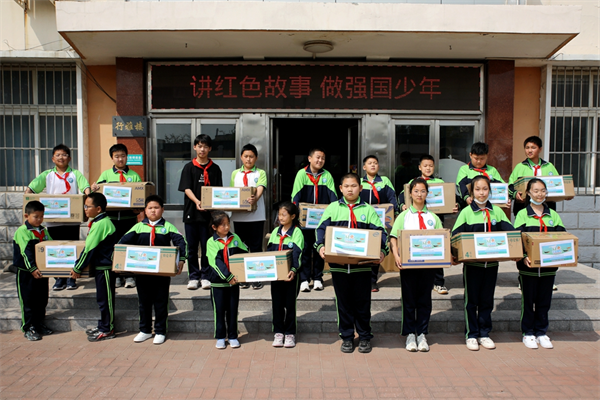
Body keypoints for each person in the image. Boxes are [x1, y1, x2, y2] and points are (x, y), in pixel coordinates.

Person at [315, 173, 388, 354]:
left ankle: (364, 336)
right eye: (346, 186)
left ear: (360, 188)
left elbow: (380, 232)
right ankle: (347, 337)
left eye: (354, 186)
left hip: (362, 267)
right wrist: (320, 247)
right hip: (339, 267)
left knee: (363, 304)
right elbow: (321, 229)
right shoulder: (333, 208)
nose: (350, 189)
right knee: (344, 304)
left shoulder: (368, 210)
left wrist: (382, 250)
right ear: (340, 188)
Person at [452, 175, 516, 351]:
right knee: (471, 301)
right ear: (472, 191)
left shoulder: (497, 211)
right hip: (473, 266)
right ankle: (471, 334)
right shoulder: (466, 213)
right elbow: (455, 236)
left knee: (487, 300)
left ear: (490, 191)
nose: (481, 193)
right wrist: (454, 255)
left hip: (492, 264)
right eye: (478, 189)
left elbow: (511, 234)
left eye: (485, 189)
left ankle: (484, 333)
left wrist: (518, 250)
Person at [118, 195, 187, 345]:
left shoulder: (168, 226)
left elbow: (181, 242)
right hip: (142, 272)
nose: (153, 211)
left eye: (156, 208)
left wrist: (181, 260)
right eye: (150, 208)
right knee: (144, 301)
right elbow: (122, 244)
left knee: (161, 301)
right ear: (145, 210)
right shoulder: (138, 227)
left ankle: (161, 331)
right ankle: (145, 330)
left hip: (162, 273)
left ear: (162, 209)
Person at [26, 144, 91, 291]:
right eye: (58, 155)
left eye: (64, 155)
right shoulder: (47, 175)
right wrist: (28, 201)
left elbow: (85, 188)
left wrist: (88, 202)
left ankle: (71, 278)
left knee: (71, 249)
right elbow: (31, 189)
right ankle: (58, 278)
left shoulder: (75, 174)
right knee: (55, 249)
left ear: (69, 158)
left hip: (72, 221)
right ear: (53, 158)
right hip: (52, 221)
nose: (61, 157)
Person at [390, 178, 443, 352]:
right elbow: (393, 237)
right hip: (408, 266)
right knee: (409, 300)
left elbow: (442, 239)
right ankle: (410, 335)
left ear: (427, 193)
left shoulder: (433, 217)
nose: (419, 194)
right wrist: (397, 255)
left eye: (423, 191)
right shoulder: (404, 216)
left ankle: (422, 333)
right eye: (416, 191)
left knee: (425, 300)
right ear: (410, 193)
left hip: (427, 267)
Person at [514, 178, 566, 350]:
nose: (539, 194)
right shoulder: (522, 214)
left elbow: (563, 238)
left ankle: (541, 332)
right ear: (528, 193)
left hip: (548, 268)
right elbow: (517, 239)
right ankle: (528, 333)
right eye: (535, 191)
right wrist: (522, 257)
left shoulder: (553, 215)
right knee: (528, 300)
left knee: (544, 301)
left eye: (543, 190)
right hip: (528, 267)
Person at [399, 154, 459, 296]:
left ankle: (439, 283)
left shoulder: (440, 182)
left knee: (437, 250)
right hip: (416, 222)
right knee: (421, 249)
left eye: (431, 166)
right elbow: (402, 196)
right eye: (425, 165)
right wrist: (402, 205)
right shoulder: (413, 182)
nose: (428, 168)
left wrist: (455, 205)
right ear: (419, 167)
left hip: (435, 220)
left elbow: (453, 198)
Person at [91, 143, 141, 289]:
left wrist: (139, 209)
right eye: (117, 157)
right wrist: (94, 189)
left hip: (129, 219)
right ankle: (117, 276)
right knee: (113, 247)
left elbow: (140, 196)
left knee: (129, 246)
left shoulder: (134, 176)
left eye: (123, 156)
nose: (120, 159)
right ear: (112, 158)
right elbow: (98, 196)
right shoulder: (106, 175)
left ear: (127, 157)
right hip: (111, 220)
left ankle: (130, 275)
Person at [70, 193, 119, 341]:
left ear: (98, 209)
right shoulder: (99, 221)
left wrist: (77, 267)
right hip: (100, 267)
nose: (85, 209)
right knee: (102, 298)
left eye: (87, 206)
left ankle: (107, 329)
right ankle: (104, 324)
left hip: (105, 268)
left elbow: (89, 249)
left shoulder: (101, 223)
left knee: (105, 299)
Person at [178, 134, 223, 290]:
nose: (202, 149)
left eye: (205, 146)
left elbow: (217, 190)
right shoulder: (189, 167)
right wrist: (197, 202)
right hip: (191, 213)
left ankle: (205, 275)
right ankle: (193, 277)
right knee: (191, 247)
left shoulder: (215, 169)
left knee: (206, 246)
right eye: (199, 146)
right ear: (195, 147)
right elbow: (186, 188)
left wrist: (212, 206)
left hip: (208, 215)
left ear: (209, 149)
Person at [291, 148, 337, 293]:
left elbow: (333, 197)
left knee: (319, 249)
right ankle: (304, 279)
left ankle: (318, 278)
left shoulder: (327, 175)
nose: (320, 160)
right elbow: (295, 197)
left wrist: (334, 215)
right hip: (305, 222)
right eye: (317, 157)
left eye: (322, 158)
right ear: (309, 158)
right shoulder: (302, 174)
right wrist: (295, 216)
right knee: (304, 249)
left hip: (320, 222)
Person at [206, 211, 248, 349]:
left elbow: (244, 254)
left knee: (232, 310)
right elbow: (215, 262)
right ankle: (220, 336)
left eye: (228, 224)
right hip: (218, 283)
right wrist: (227, 276)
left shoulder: (235, 238)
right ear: (214, 227)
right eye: (222, 225)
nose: (226, 227)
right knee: (219, 311)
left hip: (234, 283)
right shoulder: (211, 242)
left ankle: (233, 336)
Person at [266, 202, 304, 348]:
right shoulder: (275, 232)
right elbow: (270, 253)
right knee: (277, 304)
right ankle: (278, 332)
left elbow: (298, 254)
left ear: (293, 216)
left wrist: (293, 270)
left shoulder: (297, 232)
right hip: (276, 276)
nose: (280, 217)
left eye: (284, 214)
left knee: (290, 304)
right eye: (279, 214)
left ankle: (290, 333)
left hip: (290, 276)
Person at [13, 201, 53, 341]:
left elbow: (51, 246)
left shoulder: (43, 230)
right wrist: (32, 268)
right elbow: (25, 252)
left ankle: (38, 323)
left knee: (41, 299)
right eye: (36, 216)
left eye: (42, 216)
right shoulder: (22, 232)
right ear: (26, 215)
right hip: (27, 272)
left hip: (42, 273)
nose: (39, 219)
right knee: (28, 301)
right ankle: (28, 327)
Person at [230, 144, 267, 290]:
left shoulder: (260, 173)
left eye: (251, 156)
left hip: (256, 216)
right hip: (239, 217)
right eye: (246, 156)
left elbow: (260, 188)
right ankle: (242, 277)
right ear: (241, 157)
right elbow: (232, 192)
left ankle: (256, 277)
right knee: (240, 247)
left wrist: (255, 199)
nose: (248, 159)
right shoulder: (235, 174)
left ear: (256, 158)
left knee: (256, 247)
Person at [359, 155, 398, 292]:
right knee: (362, 249)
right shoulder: (359, 183)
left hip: (379, 222)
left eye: (375, 163)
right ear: (364, 167)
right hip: (362, 220)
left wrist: (394, 212)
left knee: (375, 249)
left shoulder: (384, 181)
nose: (373, 165)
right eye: (370, 163)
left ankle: (372, 281)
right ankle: (362, 279)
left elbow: (392, 198)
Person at [456, 142, 508, 208]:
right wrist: (466, 197)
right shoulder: (464, 169)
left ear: (487, 156)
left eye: (482, 159)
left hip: (490, 207)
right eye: (476, 158)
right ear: (470, 155)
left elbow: (501, 187)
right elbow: (460, 186)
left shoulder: (492, 170)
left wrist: (505, 199)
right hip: (471, 206)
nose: (478, 161)